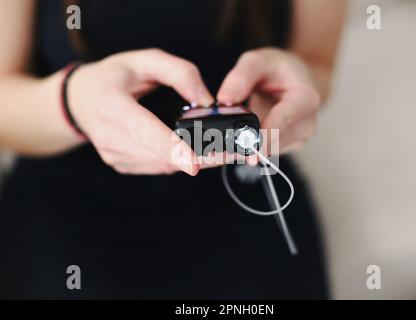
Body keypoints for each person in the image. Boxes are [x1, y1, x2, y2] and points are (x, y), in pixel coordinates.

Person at [0, 0, 346, 299]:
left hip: (250, 215)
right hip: (66, 226)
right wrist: (73, 102)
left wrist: (300, 83)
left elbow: (317, 61)